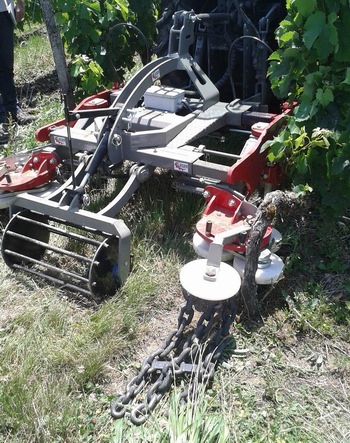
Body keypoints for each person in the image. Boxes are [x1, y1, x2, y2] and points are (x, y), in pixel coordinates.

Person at [0, 0, 36, 145]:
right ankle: (1, 118)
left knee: (6, 66)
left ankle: (12, 111)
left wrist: (20, 3)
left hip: (3, 11)